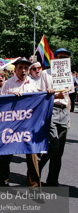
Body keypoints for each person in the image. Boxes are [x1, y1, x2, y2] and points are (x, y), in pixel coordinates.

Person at [0, 57, 45, 188]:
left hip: (28, 125)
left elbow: (39, 101)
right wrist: (11, 96)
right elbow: (1, 105)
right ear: (15, 70)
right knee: (6, 153)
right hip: (11, 125)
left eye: (26, 68)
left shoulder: (33, 84)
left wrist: (48, 94)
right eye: (21, 68)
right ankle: (2, 180)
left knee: (32, 154)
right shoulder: (8, 84)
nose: (23, 71)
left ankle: (34, 186)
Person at [39, 48, 72, 186]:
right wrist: (53, 96)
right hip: (51, 110)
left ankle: (52, 180)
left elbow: (68, 97)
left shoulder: (68, 75)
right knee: (54, 146)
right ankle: (36, 169)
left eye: (65, 57)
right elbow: (40, 94)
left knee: (60, 151)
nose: (62, 59)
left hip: (63, 112)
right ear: (55, 58)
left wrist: (68, 116)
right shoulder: (46, 74)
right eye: (60, 57)